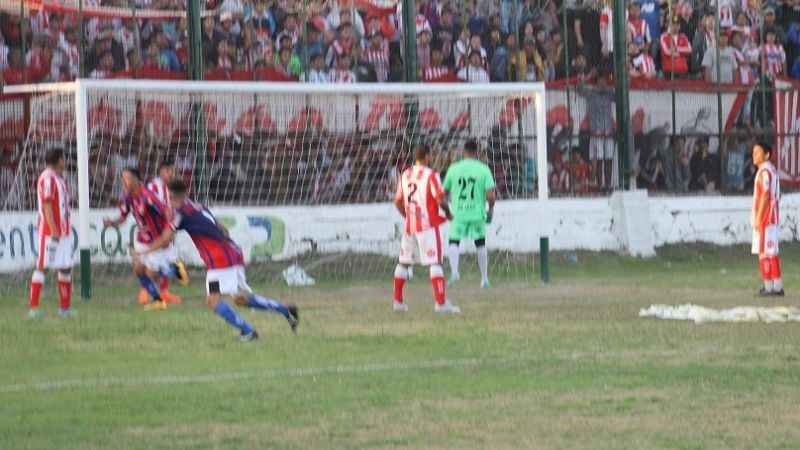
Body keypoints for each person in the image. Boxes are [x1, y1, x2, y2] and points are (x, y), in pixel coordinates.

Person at [142, 179, 299, 340]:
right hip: (232, 252)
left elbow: (165, 240)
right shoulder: (199, 206)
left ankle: (249, 332)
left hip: (220, 259)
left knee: (213, 301)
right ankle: (286, 310)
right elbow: (223, 228)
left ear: (170, 197)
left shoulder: (180, 213)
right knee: (240, 299)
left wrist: (144, 251)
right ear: (186, 193)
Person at [103, 168, 188, 311]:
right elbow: (123, 216)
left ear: (136, 179)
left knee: (150, 274)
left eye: (127, 179)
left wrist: (170, 230)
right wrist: (112, 223)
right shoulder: (128, 196)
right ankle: (158, 300)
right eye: (122, 179)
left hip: (156, 240)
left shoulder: (148, 196)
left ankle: (174, 269)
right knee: (138, 270)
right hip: (141, 238)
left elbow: (166, 211)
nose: (123, 182)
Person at [393, 144, 459, 313]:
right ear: (427, 157)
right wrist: (448, 213)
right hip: (428, 225)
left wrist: (407, 217)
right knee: (435, 262)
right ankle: (441, 303)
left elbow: (398, 200)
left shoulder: (405, 174)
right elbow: (440, 199)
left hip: (410, 226)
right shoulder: (431, 175)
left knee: (404, 262)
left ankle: (398, 302)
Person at [28, 148, 75, 319]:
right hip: (50, 232)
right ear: (59, 159)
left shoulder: (58, 178)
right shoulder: (47, 178)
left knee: (65, 266)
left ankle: (64, 309)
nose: (65, 161)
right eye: (64, 158)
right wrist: (53, 228)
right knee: (43, 266)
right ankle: (33, 308)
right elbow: (47, 205)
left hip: (63, 231)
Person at [443, 140, 496, 288]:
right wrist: (490, 211)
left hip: (458, 213)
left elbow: (444, 193)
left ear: (463, 152)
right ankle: (484, 279)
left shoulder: (453, 169)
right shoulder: (483, 169)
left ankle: (454, 272)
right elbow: (491, 196)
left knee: (454, 242)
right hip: (477, 214)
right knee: (480, 244)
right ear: (476, 152)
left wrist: (447, 209)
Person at [144, 156, 188, 305]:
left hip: (168, 231)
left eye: (173, 171)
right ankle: (145, 291)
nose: (171, 174)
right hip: (155, 231)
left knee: (170, 260)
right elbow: (148, 204)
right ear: (161, 171)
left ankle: (164, 292)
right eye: (168, 170)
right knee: (153, 265)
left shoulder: (173, 188)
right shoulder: (153, 186)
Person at [750, 141, 783, 296]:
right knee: (770, 251)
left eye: (757, 152)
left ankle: (771, 287)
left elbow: (765, 194)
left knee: (765, 252)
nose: (754, 155)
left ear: (767, 155)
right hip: (771, 215)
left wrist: (758, 217)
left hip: (766, 216)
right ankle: (775, 286)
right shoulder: (771, 170)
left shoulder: (764, 171)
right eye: (753, 152)